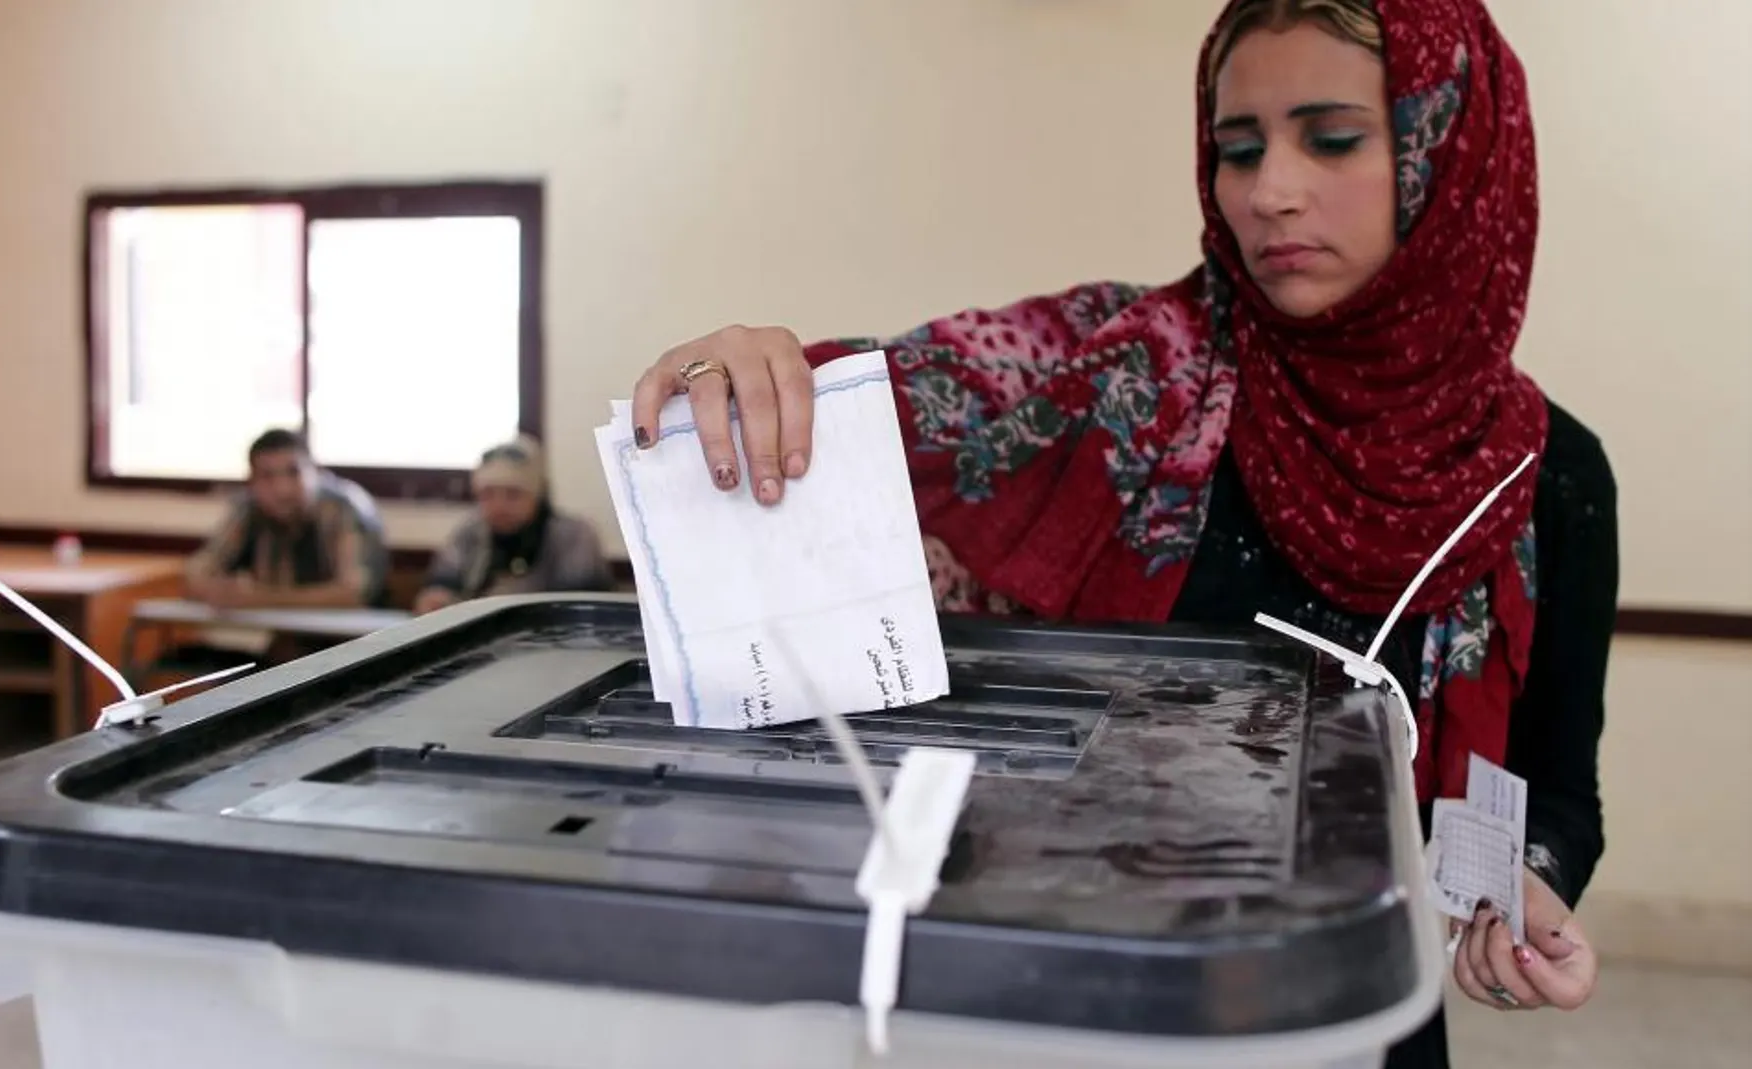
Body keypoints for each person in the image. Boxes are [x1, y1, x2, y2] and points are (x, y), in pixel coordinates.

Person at [626, 1, 1613, 1065]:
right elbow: (896, 409)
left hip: (1347, 1013)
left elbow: (1559, 791)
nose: (1268, 191)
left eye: (1331, 137)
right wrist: (764, 375)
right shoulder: (1120, 375)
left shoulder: (1543, 472)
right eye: (1236, 149)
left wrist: (1530, 882)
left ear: (1450, 151)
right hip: (1072, 999)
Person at [185, 428, 390, 611]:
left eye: (294, 472)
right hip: (279, 642)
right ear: (251, 481)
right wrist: (223, 590)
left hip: (353, 645)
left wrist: (259, 598)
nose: (282, 489)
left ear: (315, 471)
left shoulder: (344, 508)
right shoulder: (249, 508)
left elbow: (353, 594)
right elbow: (196, 575)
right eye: (267, 476)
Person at [413, 434, 613, 615]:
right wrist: (436, 600)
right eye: (488, 494)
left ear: (538, 495)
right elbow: (441, 587)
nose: (499, 506)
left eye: (513, 494)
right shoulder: (470, 532)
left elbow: (580, 612)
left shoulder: (573, 537)